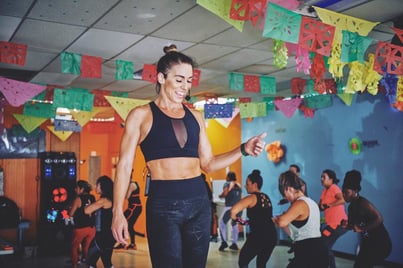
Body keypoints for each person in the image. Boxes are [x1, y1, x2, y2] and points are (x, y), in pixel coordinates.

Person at [111, 44, 267, 268]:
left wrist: (243, 149)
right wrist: (118, 212)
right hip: (163, 205)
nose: (185, 86)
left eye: (189, 80)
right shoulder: (140, 115)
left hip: (198, 203)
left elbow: (209, 163)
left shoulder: (195, 116)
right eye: (179, 79)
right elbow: (124, 167)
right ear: (161, 78)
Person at [273, 170, 328, 268]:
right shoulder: (311, 202)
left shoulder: (300, 203)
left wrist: (278, 219)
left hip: (311, 252)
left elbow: (281, 222)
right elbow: (295, 234)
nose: (286, 198)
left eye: (284, 195)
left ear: (289, 189)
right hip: (311, 250)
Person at [341, 170, 392, 268]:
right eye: (343, 192)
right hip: (368, 243)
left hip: (381, 243)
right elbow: (353, 226)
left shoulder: (363, 203)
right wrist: (346, 226)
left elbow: (379, 218)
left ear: (355, 191)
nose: (343, 195)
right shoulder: (351, 207)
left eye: (346, 192)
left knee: (363, 265)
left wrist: (362, 229)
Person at [230, 169, 277, 268]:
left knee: (243, 260)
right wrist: (247, 222)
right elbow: (263, 217)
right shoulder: (266, 197)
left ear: (254, 184)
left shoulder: (251, 197)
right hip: (271, 236)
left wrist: (235, 219)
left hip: (259, 236)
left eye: (247, 184)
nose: (245, 186)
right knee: (261, 264)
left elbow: (233, 210)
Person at [318, 169, 348, 268]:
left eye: (324, 177)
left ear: (331, 179)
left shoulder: (334, 187)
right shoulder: (324, 191)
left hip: (338, 224)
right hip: (331, 224)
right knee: (323, 246)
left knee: (323, 246)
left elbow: (343, 199)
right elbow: (321, 206)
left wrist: (329, 205)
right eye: (321, 177)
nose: (322, 179)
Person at [85, 176, 115, 268]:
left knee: (91, 260)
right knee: (106, 261)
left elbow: (86, 210)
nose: (95, 186)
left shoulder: (104, 200)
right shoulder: (109, 199)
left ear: (103, 186)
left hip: (103, 236)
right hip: (108, 235)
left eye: (97, 184)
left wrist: (89, 205)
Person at [69, 180, 96, 268]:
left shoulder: (78, 199)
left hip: (80, 228)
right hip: (92, 228)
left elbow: (71, 214)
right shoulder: (92, 197)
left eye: (77, 188)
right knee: (87, 248)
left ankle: (75, 265)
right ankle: (89, 265)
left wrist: (69, 209)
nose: (75, 190)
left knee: (74, 247)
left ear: (82, 189)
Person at [114, 170, 142, 250]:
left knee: (124, 222)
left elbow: (127, 196)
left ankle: (123, 243)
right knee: (130, 225)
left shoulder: (132, 185)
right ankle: (131, 244)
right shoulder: (130, 184)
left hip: (134, 207)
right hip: (134, 207)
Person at [218, 171, 242, 251]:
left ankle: (224, 242)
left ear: (228, 177)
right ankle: (234, 243)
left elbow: (225, 193)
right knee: (234, 224)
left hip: (229, 207)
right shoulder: (238, 185)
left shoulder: (227, 184)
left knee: (221, 223)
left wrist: (220, 195)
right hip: (239, 208)